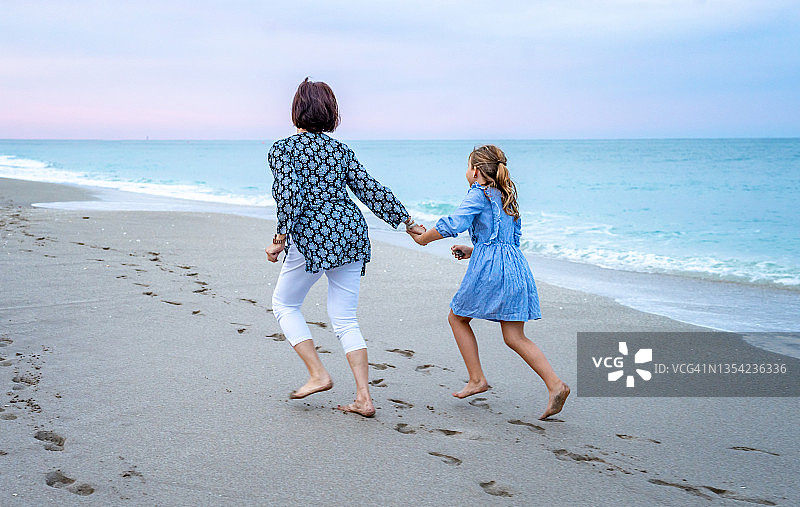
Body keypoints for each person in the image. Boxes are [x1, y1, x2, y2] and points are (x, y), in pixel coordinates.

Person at [265, 78, 423, 417]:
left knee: (285, 303)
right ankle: (364, 398)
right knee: (345, 318)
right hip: (350, 232)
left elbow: (288, 196)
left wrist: (279, 240)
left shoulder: (282, 148)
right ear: (330, 113)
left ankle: (318, 373)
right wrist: (406, 221)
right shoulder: (340, 150)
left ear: (297, 110)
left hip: (311, 236)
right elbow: (368, 187)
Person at [408, 144, 569, 420]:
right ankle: (555, 385)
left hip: (491, 270)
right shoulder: (506, 196)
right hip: (516, 267)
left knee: (457, 318)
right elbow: (506, 240)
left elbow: (454, 222)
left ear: (476, 171)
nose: (466, 172)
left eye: (467, 166)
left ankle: (476, 379)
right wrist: (474, 251)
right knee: (515, 336)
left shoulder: (478, 193)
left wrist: (423, 238)